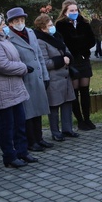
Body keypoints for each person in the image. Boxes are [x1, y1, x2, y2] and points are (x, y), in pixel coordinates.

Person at [0, 15, 36, 168]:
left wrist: (20, 66)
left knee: (19, 123)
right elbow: (2, 65)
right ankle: (9, 156)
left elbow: (13, 59)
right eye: (2, 23)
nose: (4, 25)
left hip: (14, 87)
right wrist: (23, 68)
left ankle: (22, 152)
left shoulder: (4, 39)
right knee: (7, 126)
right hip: (1, 90)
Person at [5, 7, 52, 152]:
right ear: (11, 23)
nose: (20, 22)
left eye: (22, 20)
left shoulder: (30, 32)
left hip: (37, 76)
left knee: (38, 109)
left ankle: (39, 138)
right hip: (23, 78)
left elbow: (39, 56)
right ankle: (31, 141)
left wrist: (45, 75)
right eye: (16, 20)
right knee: (28, 112)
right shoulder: (9, 37)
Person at [34, 14, 77, 142]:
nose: (53, 27)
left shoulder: (57, 36)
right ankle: (55, 132)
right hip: (53, 79)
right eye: (50, 25)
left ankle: (68, 129)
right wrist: (62, 60)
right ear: (43, 28)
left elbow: (66, 49)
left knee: (67, 103)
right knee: (54, 106)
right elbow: (45, 62)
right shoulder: (40, 41)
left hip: (65, 76)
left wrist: (68, 56)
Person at [54, 0, 96, 130]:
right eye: (71, 10)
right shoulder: (60, 25)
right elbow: (65, 43)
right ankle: (80, 120)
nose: (74, 12)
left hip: (83, 59)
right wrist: (78, 43)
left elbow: (91, 40)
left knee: (85, 90)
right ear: (65, 12)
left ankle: (87, 118)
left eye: (76, 10)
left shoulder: (84, 22)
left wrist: (80, 43)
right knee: (74, 91)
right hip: (72, 60)